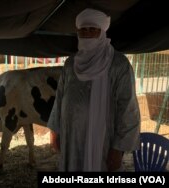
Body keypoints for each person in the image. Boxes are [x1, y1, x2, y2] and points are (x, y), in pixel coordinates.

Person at [47, 8, 140, 172]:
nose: (87, 34)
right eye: (83, 30)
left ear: (102, 32)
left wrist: (118, 150)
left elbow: (128, 108)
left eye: (93, 29)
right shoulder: (70, 63)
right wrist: (55, 131)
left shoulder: (118, 64)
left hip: (103, 142)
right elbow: (60, 99)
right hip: (71, 138)